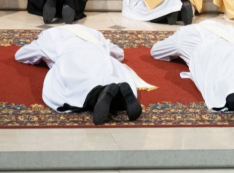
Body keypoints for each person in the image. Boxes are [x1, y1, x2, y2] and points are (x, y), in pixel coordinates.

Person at [15, 25, 148, 125]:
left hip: (71, 57)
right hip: (99, 56)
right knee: (106, 75)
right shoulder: (91, 32)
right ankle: (120, 91)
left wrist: (40, 58)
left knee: (80, 84)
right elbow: (119, 53)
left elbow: (20, 55)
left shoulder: (49, 35)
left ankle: (100, 93)